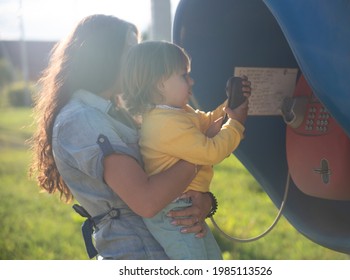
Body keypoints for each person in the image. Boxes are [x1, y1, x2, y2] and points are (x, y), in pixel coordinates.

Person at [29, 14, 216, 260]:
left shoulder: (118, 113)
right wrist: (200, 151)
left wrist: (205, 202)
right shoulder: (82, 119)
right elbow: (147, 201)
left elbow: (165, 174)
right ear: (104, 56)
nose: (138, 60)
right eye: (130, 51)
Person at [121, 40, 251, 259]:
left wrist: (231, 104)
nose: (192, 81)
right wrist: (236, 124)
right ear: (159, 83)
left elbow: (209, 121)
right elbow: (211, 151)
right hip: (174, 212)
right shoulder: (165, 123)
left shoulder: (178, 112)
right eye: (184, 76)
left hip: (184, 206)